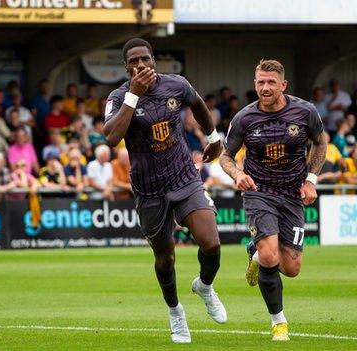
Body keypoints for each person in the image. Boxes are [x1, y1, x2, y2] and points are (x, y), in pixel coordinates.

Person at [103, 38, 226, 343]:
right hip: (149, 190)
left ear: (154, 60)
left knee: (211, 244)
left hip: (184, 177)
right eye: (133, 61)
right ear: (126, 67)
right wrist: (134, 95)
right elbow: (111, 138)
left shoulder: (176, 85)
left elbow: (197, 104)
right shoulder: (119, 97)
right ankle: (175, 312)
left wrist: (213, 137)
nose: (140, 65)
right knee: (165, 259)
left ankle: (205, 286)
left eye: (145, 59)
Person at [219, 59, 327, 341]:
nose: (265, 88)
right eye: (260, 82)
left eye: (270, 83)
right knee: (270, 256)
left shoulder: (305, 111)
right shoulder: (244, 118)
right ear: (255, 84)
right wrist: (237, 174)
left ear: (283, 85)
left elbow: (320, 142)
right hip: (259, 191)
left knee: (291, 268)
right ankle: (279, 323)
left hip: (292, 193)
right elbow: (225, 157)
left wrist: (311, 179)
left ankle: (254, 253)